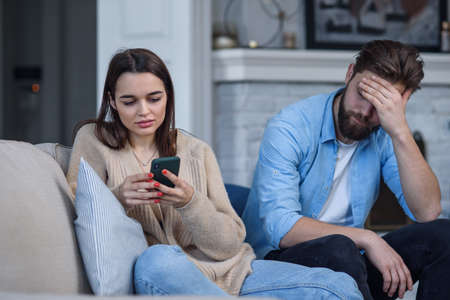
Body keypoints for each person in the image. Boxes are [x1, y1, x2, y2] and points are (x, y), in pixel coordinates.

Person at [66, 48, 363, 299]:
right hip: (165, 275)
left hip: (230, 273)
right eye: (129, 101)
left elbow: (229, 246)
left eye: (154, 98)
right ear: (112, 101)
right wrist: (118, 197)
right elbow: (78, 207)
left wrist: (190, 203)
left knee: (339, 285)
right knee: (157, 260)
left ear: (168, 96)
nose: (144, 111)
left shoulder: (196, 150)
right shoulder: (94, 140)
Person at [242, 40, 450, 300]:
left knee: (444, 236)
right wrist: (368, 239)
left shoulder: (384, 134)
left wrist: (400, 131)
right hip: (280, 267)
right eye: (363, 94)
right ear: (350, 73)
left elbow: (428, 212)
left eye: (381, 106)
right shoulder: (290, 127)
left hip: (352, 267)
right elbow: (281, 228)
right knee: (341, 247)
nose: (365, 112)